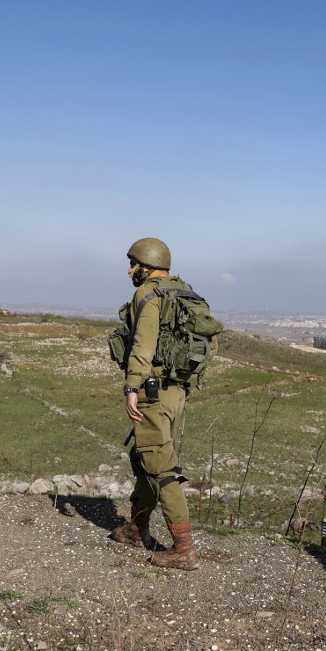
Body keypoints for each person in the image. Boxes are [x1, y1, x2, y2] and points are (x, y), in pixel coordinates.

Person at [109, 237, 201, 570]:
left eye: (133, 263)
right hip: (176, 392)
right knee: (146, 457)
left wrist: (131, 387)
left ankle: (183, 549)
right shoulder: (182, 290)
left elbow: (143, 346)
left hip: (151, 392)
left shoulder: (147, 294)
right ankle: (136, 528)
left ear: (145, 265)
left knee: (162, 468)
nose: (130, 269)